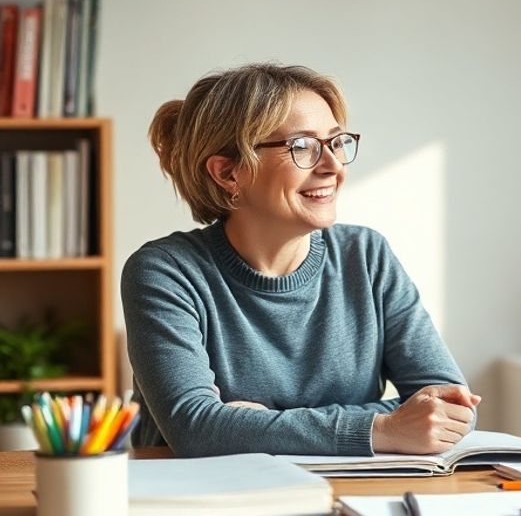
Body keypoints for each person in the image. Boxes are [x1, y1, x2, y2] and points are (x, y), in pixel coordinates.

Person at [125, 63, 480, 457]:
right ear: (228, 172)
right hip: (208, 502)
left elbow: (451, 406)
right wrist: (385, 427)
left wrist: (250, 424)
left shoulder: (366, 255)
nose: (333, 167)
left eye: (335, 142)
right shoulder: (164, 272)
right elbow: (195, 428)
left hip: (353, 495)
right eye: (302, 147)